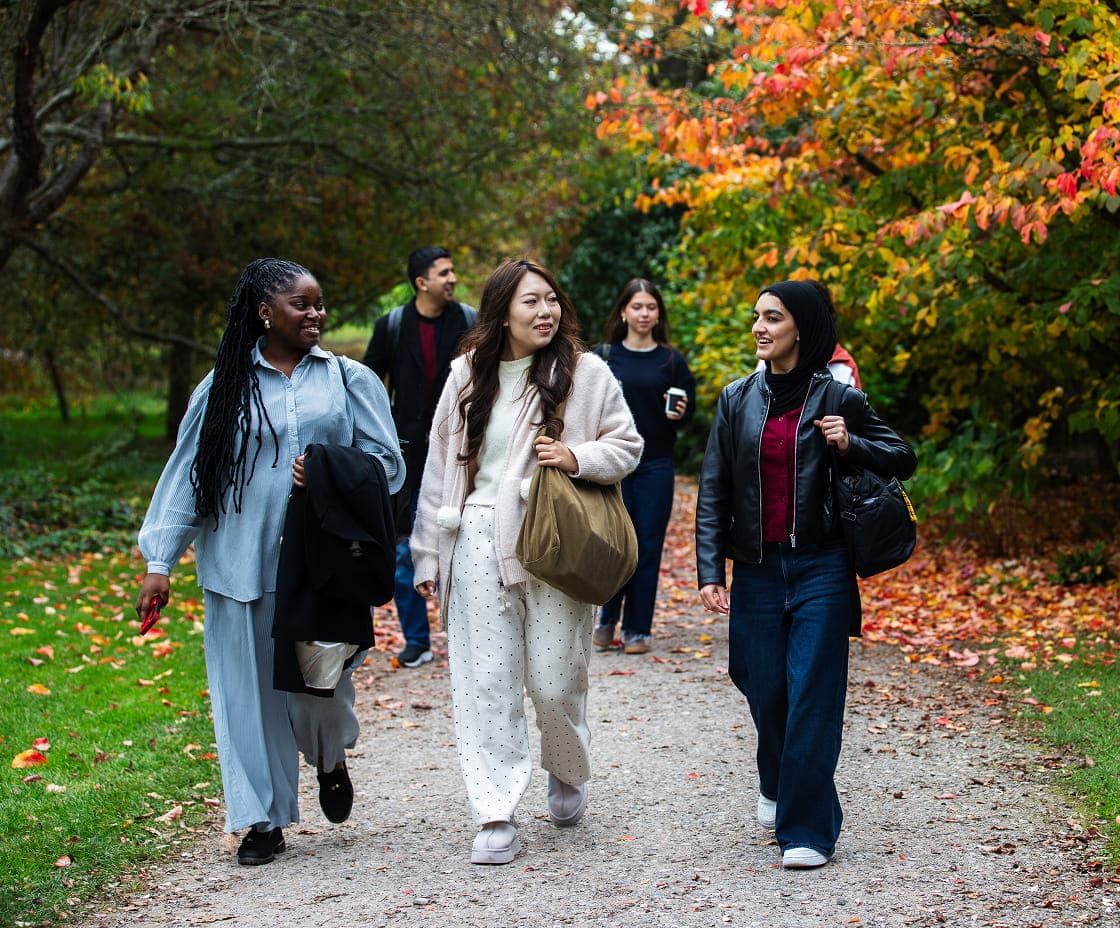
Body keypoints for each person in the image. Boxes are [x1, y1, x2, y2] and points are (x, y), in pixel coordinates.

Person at [135, 258, 404, 866]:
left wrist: (331, 471)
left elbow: (389, 467)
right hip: (239, 563)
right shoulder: (223, 386)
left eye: (319, 304)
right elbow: (189, 477)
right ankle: (261, 818)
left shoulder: (347, 379)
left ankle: (329, 758)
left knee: (321, 693)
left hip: (319, 566)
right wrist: (160, 560)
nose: (317, 314)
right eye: (301, 305)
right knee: (246, 698)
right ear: (265, 312)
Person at [410, 258, 642, 865]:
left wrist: (574, 456)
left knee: (553, 677)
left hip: (551, 535)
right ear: (501, 313)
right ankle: (495, 809)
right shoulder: (466, 374)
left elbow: (628, 445)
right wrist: (428, 555)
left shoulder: (585, 373)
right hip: (476, 535)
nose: (545, 312)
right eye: (530, 302)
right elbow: (439, 469)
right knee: (486, 681)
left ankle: (566, 765)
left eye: (551, 301)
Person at [695, 279, 915, 870]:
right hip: (759, 570)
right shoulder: (736, 398)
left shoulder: (836, 397)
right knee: (762, 686)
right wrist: (709, 568)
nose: (759, 328)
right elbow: (714, 487)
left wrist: (852, 446)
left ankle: (808, 829)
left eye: (773, 318)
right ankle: (777, 780)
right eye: (757, 317)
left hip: (822, 566)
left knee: (812, 696)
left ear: (803, 327)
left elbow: (903, 456)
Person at [362, 246, 476, 668]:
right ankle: (417, 639)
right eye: (443, 273)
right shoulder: (391, 326)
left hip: (460, 449)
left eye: (453, 271)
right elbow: (367, 387)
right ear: (420, 282)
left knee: (466, 542)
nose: (452, 278)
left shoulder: (469, 321)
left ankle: (467, 633)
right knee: (403, 549)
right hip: (405, 456)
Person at [591, 279, 696, 654]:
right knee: (613, 544)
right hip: (612, 465)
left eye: (651, 307)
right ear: (623, 311)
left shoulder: (671, 361)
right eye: (637, 306)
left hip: (655, 465)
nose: (644, 313)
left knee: (647, 546)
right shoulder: (602, 357)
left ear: (659, 314)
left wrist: (681, 414)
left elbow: (686, 416)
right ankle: (607, 619)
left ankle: (638, 629)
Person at [755, 280, 861, 388]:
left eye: (772, 319)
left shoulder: (842, 367)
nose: (756, 328)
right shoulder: (770, 358)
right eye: (756, 318)